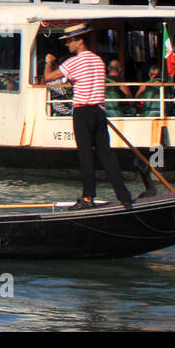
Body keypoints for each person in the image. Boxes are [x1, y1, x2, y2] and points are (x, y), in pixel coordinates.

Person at [42, 23, 133, 210]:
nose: (67, 45)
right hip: (99, 112)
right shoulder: (99, 61)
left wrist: (48, 62)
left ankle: (88, 198)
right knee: (107, 155)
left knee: (85, 155)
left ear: (79, 41)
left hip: (83, 112)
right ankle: (124, 196)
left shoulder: (74, 62)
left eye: (69, 41)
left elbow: (48, 79)